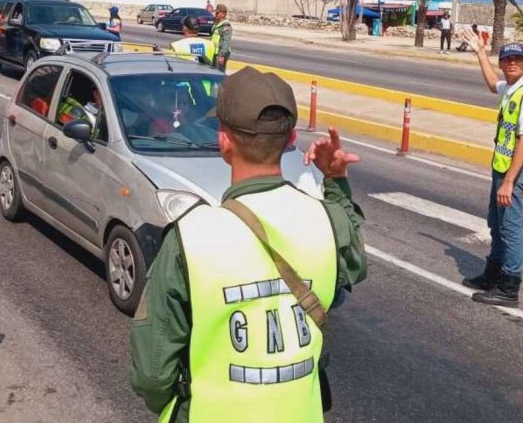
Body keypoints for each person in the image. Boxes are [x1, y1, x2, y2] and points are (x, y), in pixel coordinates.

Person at [129, 66, 367, 422]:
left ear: (224, 142)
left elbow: (152, 373)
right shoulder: (328, 222)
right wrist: (334, 181)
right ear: (290, 140)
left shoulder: (190, 238)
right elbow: (354, 258)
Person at [461, 30, 523, 307]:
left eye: (517, 59)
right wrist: (480, 53)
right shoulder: (512, 88)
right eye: (508, 59)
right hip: (502, 167)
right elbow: (491, 84)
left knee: (509, 227)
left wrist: (509, 181)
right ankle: (492, 274)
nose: (512, 63)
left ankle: (509, 287)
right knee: (496, 223)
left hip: (514, 171)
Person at [211, 4, 233, 72]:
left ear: (223, 14)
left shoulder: (226, 26)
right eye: (215, 12)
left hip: (221, 53)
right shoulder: (217, 24)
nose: (216, 14)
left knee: (219, 73)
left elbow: (226, 41)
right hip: (215, 53)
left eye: (217, 13)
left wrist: (222, 55)